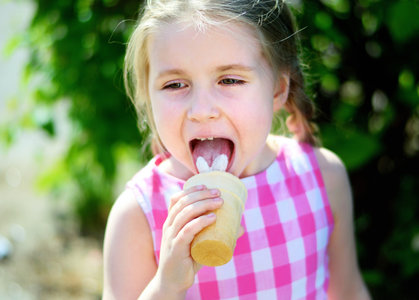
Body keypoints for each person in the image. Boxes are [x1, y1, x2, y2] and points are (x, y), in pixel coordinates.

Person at [102, 0, 371, 299]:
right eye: (175, 85)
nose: (201, 111)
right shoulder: (138, 215)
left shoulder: (322, 178)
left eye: (229, 80)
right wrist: (167, 286)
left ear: (278, 90)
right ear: (149, 96)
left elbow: (349, 291)